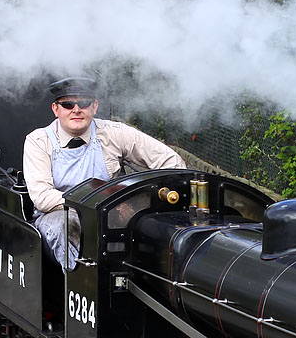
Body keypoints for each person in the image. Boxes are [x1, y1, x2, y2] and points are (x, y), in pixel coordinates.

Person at [23, 75, 184, 269]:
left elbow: (171, 161)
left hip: (113, 211)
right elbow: (42, 197)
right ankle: (81, 284)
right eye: (67, 105)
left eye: (83, 103)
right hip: (61, 212)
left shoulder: (115, 133)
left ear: (94, 107)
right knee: (65, 228)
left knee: (150, 225)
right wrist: (96, 207)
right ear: (55, 109)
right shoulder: (38, 141)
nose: (76, 110)